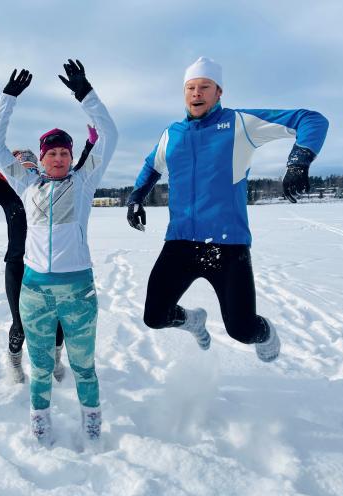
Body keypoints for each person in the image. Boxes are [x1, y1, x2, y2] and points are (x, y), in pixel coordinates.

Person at [127, 56, 329, 362]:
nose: (197, 93)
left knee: (242, 329)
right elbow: (151, 165)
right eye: (191, 87)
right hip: (180, 242)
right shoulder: (172, 133)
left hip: (228, 245)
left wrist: (299, 161)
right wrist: (136, 198)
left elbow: (311, 119)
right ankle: (192, 321)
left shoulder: (239, 123)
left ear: (218, 92)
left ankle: (265, 332)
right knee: (155, 316)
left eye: (205, 87)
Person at [0, 60, 118, 445]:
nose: (59, 158)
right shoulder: (27, 183)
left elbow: (109, 134)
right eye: (52, 153)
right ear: (41, 158)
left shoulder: (85, 181)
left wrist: (85, 94)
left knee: (83, 365)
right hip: (35, 291)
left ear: (71, 156)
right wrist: (7, 98)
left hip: (77, 290)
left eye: (64, 152)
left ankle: (91, 421)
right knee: (40, 364)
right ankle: (39, 418)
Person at [0, 104, 99, 385]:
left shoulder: (49, 188)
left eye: (28, 162)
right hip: (18, 265)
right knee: (22, 324)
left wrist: (89, 147)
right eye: (18, 162)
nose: (24, 166)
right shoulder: (9, 192)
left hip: (54, 267)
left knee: (60, 324)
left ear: (36, 164)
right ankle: (14, 358)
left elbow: (79, 173)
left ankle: (56, 357)